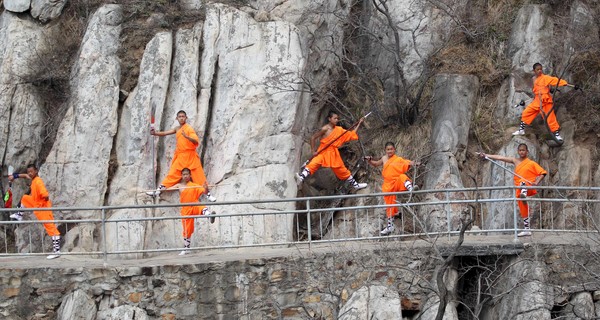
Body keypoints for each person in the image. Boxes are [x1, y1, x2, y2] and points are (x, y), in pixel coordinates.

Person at [478, 143, 547, 237]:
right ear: (518, 152)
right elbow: (500, 157)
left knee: (523, 182)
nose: (522, 152)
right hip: (519, 189)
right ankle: (527, 229)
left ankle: (524, 192)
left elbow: (543, 173)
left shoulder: (531, 163)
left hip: (528, 187)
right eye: (520, 150)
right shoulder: (515, 161)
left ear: (527, 151)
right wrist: (486, 155)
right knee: (523, 208)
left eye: (523, 150)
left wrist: (537, 182)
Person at [147, 110, 216, 201]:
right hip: (180, 156)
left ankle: (208, 195)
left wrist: (187, 137)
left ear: (186, 118)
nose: (181, 118)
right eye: (180, 116)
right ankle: (158, 191)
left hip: (191, 156)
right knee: (172, 175)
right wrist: (155, 133)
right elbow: (165, 133)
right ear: (177, 118)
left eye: (183, 116)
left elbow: (196, 141)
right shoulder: (177, 128)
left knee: (199, 176)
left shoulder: (189, 128)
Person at [295, 111, 367, 190]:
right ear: (329, 119)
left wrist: (359, 123)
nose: (336, 120)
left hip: (333, 153)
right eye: (335, 118)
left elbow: (350, 134)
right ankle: (301, 177)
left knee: (343, 170)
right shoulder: (325, 128)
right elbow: (313, 138)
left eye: (337, 118)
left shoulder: (339, 129)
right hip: (323, 151)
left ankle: (355, 185)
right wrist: (313, 151)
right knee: (314, 163)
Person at [8, 164, 62, 259]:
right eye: (29, 171)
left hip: (42, 208)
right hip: (36, 203)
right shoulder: (33, 178)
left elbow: (45, 194)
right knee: (25, 198)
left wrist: (44, 201)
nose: (29, 173)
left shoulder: (38, 182)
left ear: (36, 171)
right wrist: (14, 176)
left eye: (31, 171)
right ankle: (19, 215)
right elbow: (25, 175)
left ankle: (57, 251)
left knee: (51, 228)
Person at [512, 62, 576, 142]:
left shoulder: (546, 78)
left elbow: (555, 81)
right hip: (537, 100)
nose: (540, 71)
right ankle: (521, 130)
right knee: (526, 112)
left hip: (545, 100)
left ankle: (556, 134)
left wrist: (566, 84)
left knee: (550, 118)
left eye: (541, 69)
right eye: (537, 69)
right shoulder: (534, 79)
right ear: (534, 71)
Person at [366, 142, 418, 235]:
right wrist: (370, 160)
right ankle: (390, 226)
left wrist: (414, 163)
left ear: (394, 149)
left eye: (391, 149)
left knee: (402, 176)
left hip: (396, 182)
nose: (389, 151)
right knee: (389, 205)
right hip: (387, 185)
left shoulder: (398, 159)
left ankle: (410, 189)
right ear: (385, 150)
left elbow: (407, 162)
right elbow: (376, 163)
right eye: (388, 149)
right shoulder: (384, 158)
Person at [170, 168, 216, 255]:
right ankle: (186, 248)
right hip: (185, 209)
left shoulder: (194, 185)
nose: (185, 176)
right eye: (184, 174)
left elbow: (204, 191)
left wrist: (206, 188)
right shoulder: (179, 185)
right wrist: (160, 190)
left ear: (190, 175)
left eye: (187, 174)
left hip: (194, 205)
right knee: (187, 229)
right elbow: (168, 189)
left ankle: (209, 216)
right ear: (182, 176)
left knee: (201, 206)